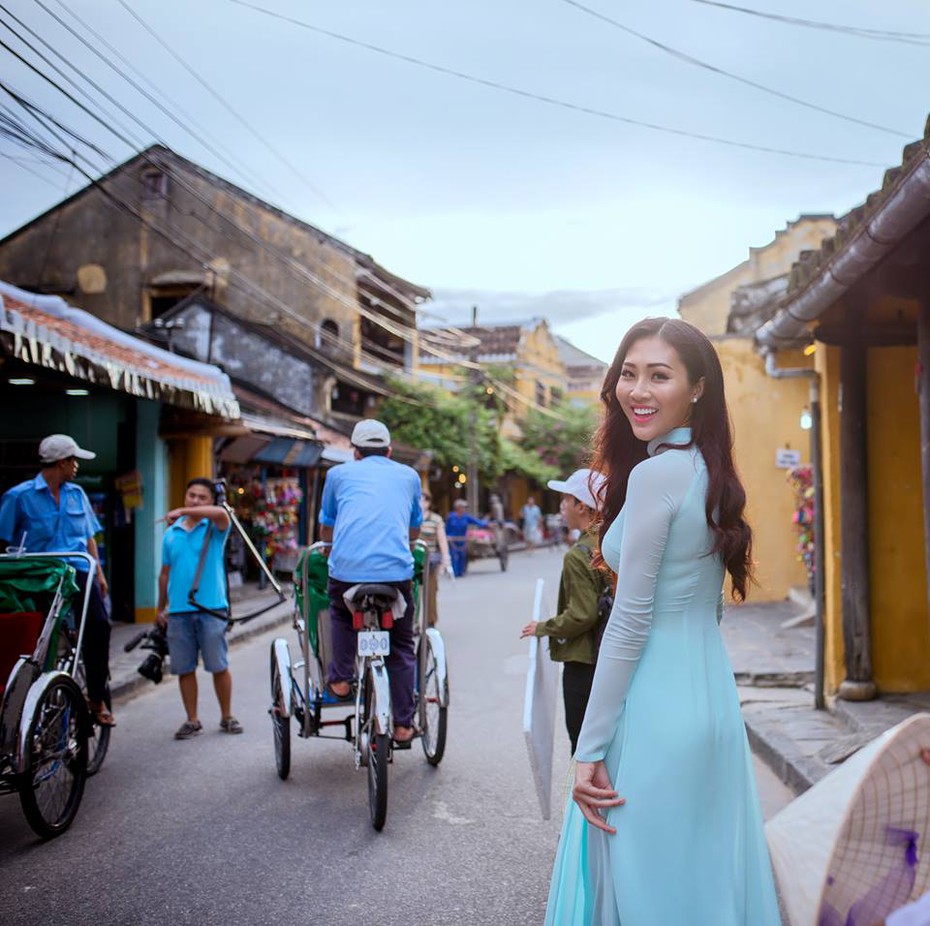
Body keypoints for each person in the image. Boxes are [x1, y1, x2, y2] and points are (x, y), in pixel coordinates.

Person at [544, 318, 780, 925]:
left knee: (647, 897)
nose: (637, 391)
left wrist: (588, 749)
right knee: (699, 888)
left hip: (653, 711)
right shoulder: (709, 470)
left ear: (698, 387)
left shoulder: (655, 477)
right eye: (628, 373)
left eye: (659, 375)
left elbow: (628, 622)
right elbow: (708, 603)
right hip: (709, 707)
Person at [319, 419, 422, 747]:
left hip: (347, 573)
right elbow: (414, 529)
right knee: (402, 645)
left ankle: (339, 681)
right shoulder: (408, 476)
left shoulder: (337, 475)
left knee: (341, 614)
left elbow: (327, 528)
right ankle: (404, 726)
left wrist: (329, 549)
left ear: (355, 452)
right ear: (390, 451)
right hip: (396, 574)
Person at [0, 434, 115, 726]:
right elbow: (3, 541)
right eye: (74, 461)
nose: (76, 466)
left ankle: (96, 701)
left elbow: (90, 538)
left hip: (78, 573)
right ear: (62, 462)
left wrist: (100, 575)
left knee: (100, 628)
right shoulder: (18, 496)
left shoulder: (77, 494)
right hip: (38, 577)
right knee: (34, 640)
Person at [520, 467, 608, 754]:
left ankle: (580, 799)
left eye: (566, 500)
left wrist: (543, 627)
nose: (562, 507)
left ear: (582, 506)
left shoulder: (578, 555)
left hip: (584, 661)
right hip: (612, 656)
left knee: (582, 747)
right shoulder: (611, 544)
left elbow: (582, 615)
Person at [157, 477, 242, 740]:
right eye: (191, 495)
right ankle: (192, 719)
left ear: (210, 501)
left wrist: (184, 511)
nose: (195, 500)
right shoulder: (171, 534)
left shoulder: (215, 527)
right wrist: (161, 608)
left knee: (218, 665)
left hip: (211, 608)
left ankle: (227, 715)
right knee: (184, 668)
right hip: (179, 611)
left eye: (201, 497)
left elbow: (221, 513)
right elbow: (164, 574)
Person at [418, 490, 452, 627]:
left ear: (428, 502)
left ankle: (430, 621)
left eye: (424, 500)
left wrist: (446, 559)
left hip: (429, 561)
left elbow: (442, 540)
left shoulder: (436, 519)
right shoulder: (409, 517)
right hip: (411, 561)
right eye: (419, 500)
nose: (421, 503)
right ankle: (413, 623)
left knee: (430, 591)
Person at [444, 498, 487, 578]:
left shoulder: (466, 517)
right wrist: (447, 536)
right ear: (457, 508)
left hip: (462, 539)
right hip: (452, 539)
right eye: (462, 507)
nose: (464, 509)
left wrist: (486, 524)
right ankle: (454, 572)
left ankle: (461, 572)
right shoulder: (451, 516)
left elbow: (477, 522)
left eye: (464, 507)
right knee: (453, 555)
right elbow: (447, 527)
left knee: (462, 555)